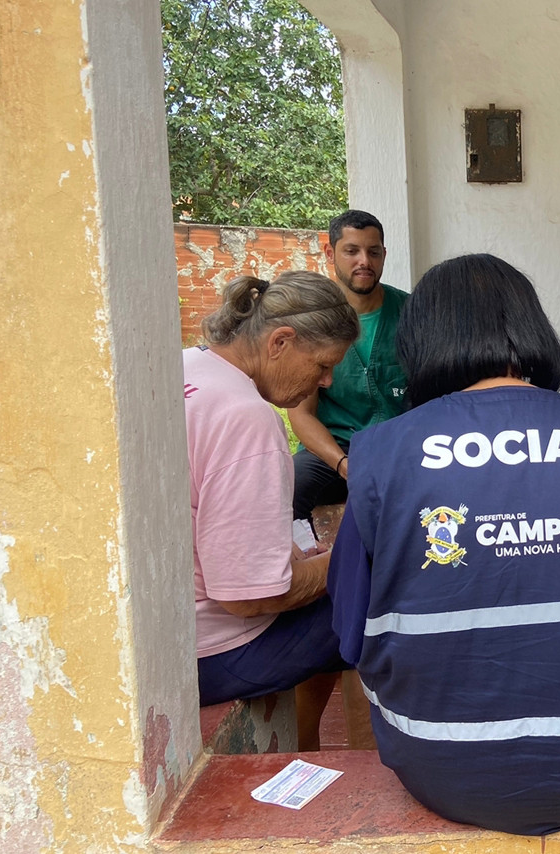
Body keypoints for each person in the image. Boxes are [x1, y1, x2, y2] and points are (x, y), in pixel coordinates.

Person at [328, 254, 560, 835]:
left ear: (423, 339)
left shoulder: (381, 451)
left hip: (440, 764)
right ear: (533, 328)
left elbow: (348, 633)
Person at [185, 272, 361, 748]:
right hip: (209, 654)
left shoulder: (186, 369)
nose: (323, 382)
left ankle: (308, 742)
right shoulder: (247, 417)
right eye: (322, 366)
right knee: (378, 594)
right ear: (281, 341)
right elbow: (247, 600)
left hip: (165, 637)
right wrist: (348, 559)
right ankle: (373, 770)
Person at [289, 209, 408, 522]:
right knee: (289, 483)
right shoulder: (311, 320)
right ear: (330, 252)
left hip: (400, 449)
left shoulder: (413, 314)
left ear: (384, 254)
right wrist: (343, 464)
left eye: (373, 252)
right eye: (352, 251)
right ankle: (299, 565)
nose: (364, 262)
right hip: (334, 452)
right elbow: (301, 414)